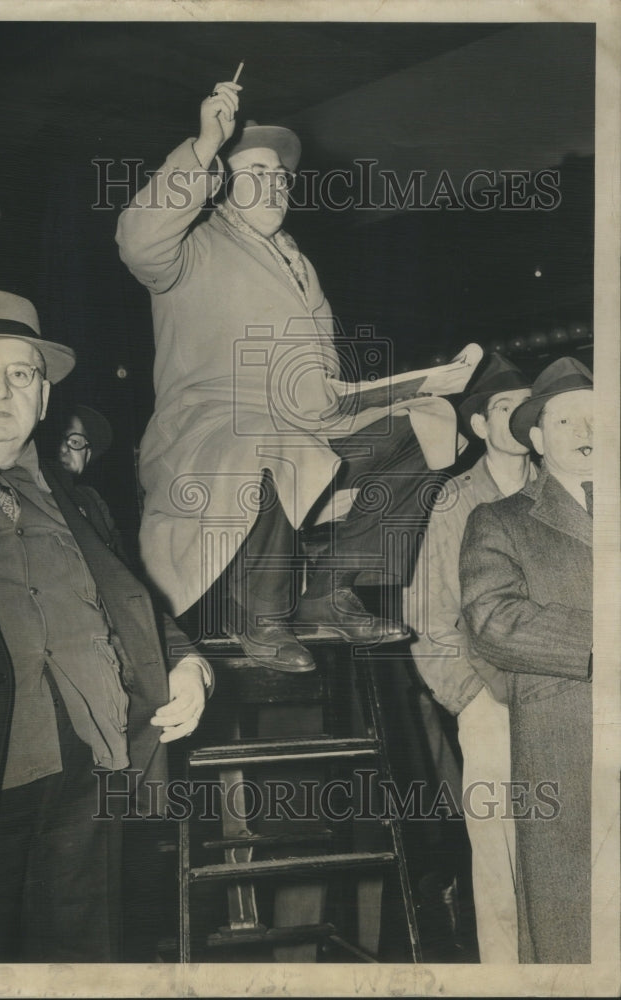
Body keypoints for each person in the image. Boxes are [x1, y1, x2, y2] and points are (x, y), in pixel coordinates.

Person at [117, 80, 473, 672]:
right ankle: (263, 614)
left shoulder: (299, 264)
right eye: (255, 172)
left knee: (428, 423)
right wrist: (205, 144)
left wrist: (404, 389)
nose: (276, 184)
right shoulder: (192, 248)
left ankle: (330, 589)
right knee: (271, 441)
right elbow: (137, 239)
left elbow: (321, 383)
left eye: (281, 176)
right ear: (221, 187)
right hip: (212, 436)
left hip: (305, 426)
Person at [0, 289, 213, 962]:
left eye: (20, 374)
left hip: (92, 763)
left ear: (43, 399)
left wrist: (187, 660)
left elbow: (132, 601)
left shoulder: (79, 498)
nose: (0, 391)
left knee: (84, 953)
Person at [460, 356, 593, 964]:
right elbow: (491, 622)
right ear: (537, 440)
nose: (587, 433)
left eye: (597, 418)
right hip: (564, 741)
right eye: (567, 421)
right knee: (570, 926)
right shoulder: (500, 520)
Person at [404, 354, 533, 963]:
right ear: (479, 425)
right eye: (505, 408)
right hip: (493, 701)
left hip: (565, 697)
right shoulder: (458, 501)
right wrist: (473, 701)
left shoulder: (562, 489)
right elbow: (429, 617)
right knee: (500, 855)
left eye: (530, 407)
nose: (521, 419)